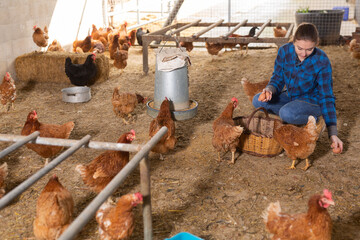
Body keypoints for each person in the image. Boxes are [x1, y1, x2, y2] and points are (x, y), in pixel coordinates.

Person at [252, 22, 343, 153]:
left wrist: (333, 133)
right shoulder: (284, 51)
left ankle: (316, 119)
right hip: (291, 96)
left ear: (316, 44)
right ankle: (293, 114)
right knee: (258, 101)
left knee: (286, 113)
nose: (304, 53)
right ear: (293, 41)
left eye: (309, 49)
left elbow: (326, 96)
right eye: (299, 48)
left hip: (313, 100)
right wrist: (270, 89)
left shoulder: (322, 60)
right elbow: (277, 77)